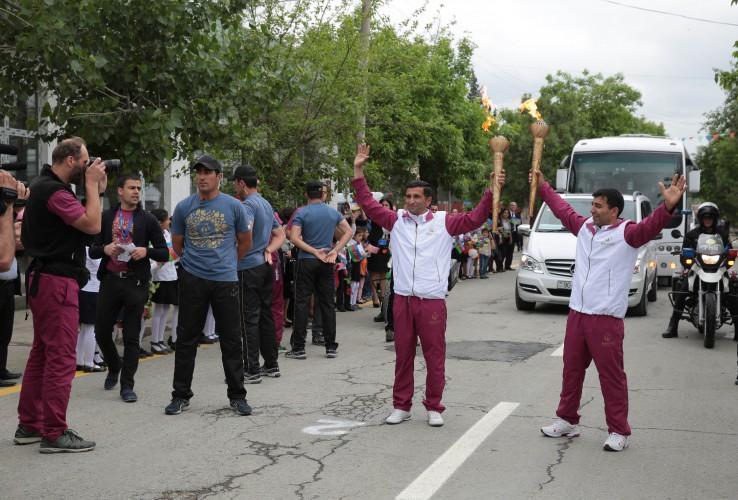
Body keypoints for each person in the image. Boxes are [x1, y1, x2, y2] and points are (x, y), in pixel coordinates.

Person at [352, 144, 504, 427]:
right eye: (408, 196)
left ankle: (434, 406)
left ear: (428, 199)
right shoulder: (396, 220)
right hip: (402, 299)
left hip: (431, 300)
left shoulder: (445, 222)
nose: (410, 201)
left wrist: (491, 191)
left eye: (416, 196)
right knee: (403, 356)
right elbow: (368, 204)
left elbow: (476, 217)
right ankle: (402, 406)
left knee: (434, 356)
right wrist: (358, 170)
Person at [534, 169, 686, 452]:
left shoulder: (627, 233)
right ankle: (567, 420)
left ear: (614, 211)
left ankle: (618, 430)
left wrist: (667, 207)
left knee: (611, 376)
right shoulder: (585, 228)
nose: (592, 210)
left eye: (598, 206)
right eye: (592, 205)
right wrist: (543, 186)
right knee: (571, 370)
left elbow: (650, 227)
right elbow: (562, 210)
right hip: (578, 313)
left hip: (605, 318)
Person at [16, 137, 106, 453]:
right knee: (61, 357)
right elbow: (92, 225)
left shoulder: (45, 187)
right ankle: (54, 432)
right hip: (56, 282)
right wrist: (92, 186)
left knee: (42, 353)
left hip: (44, 279)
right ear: (70, 160)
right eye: (84, 161)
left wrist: (96, 189)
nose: (87, 166)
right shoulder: (54, 191)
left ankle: (30, 424)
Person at [166, 155, 253, 416]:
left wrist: (227, 263)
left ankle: (237, 396)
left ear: (219, 177)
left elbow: (245, 241)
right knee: (186, 339)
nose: (202, 177)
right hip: (193, 278)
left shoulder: (234, 206)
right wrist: (194, 263)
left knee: (231, 339)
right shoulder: (184, 207)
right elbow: (178, 243)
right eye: (199, 172)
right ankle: (180, 395)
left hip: (225, 280)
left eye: (208, 172)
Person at [90, 174, 167, 402]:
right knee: (101, 331)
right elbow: (92, 249)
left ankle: (127, 385)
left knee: (132, 336)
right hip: (110, 280)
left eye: (139, 188)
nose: (136, 192)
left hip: (136, 282)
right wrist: (105, 249)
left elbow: (164, 252)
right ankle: (114, 365)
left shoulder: (148, 219)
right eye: (132, 188)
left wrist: (146, 251)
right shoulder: (106, 217)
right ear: (120, 191)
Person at [286, 180, 352, 359]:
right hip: (327, 260)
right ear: (323, 195)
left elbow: (294, 237)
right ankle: (330, 346)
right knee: (327, 303)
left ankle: (299, 348)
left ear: (306, 194)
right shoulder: (332, 212)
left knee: (301, 303)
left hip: (306, 260)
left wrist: (313, 251)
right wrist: (335, 250)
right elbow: (349, 232)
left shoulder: (302, 212)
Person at [232, 164, 285, 383]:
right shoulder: (265, 203)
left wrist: (234, 257)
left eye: (235, 184)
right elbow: (281, 234)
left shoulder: (247, 206)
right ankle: (271, 364)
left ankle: (251, 369)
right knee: (265, 315)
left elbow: (245, 235)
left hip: (247, 267)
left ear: (241, 183)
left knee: (248, 319)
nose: (235, 188)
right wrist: (268, 250)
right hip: (264, 265)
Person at [662, 202, 737, 340]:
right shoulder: (692, 234)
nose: (708, 220)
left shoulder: (722, 234)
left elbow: (729, 250)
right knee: (683, 291)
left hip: (718, 267)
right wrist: (688, 260)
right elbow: (684, 255)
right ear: (701, 219)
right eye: (705, 217)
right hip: (698, 268)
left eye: (710, 217)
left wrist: (730, 256)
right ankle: (673, 326)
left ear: (714, 219)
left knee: (731, 292)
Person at [0, 171, 28, 386]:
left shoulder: (7, 215)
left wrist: (17, 206)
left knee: (5, 331)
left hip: (8, 282)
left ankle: (1, 369)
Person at [149, 208, 178, 354]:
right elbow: (154, 257)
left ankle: (160, 340)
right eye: (167, 220)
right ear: (159, 222)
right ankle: (155, 341)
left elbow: (172, 253)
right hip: (159, 276)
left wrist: (172, 256)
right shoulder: (152, 236)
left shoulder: (167, 233)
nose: (169, 222)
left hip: (170, 275)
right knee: (159, 309)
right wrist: (159, 262)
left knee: (166, 309)